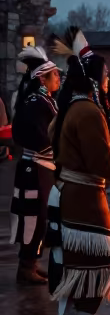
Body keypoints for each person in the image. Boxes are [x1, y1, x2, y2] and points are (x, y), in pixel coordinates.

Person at [46, 29, 110, 315]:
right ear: (95, 80)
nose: (109, 78)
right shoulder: (88, 113)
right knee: (101, 266)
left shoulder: (71, 107)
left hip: (70, 194)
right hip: (84, 201)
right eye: (106, 74)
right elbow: (101, 160)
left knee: (75, 266)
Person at [9, 46, 61, 284]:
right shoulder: (35, 101)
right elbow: (37, 136)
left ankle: (32, 263)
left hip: (43, 168)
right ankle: (26, 266)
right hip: (34, 168)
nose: (59, 78)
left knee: (41, 216)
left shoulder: (44, 100)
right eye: (55, 75)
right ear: (42, 78)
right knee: (33, 216)